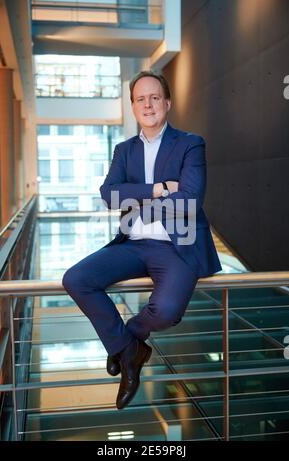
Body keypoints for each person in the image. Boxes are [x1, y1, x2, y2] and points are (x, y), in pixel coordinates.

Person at [62, 70, 222, 410]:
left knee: (164, 312)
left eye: (153, 97)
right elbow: (109, 195)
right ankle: (128, 350)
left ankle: (128, 343)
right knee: (76, 279)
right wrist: (160, 188)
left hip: (177, 244)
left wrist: (137, 203)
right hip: (133, 243)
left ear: (167, 103)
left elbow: (191, 200)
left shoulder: (190, 143)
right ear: (133, 107)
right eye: (140, 99)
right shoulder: (124, 150)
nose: (147, 104)